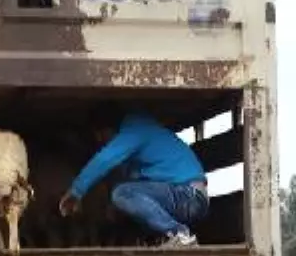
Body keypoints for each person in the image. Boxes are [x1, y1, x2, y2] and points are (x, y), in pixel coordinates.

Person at [59, 106, 209, 247]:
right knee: (126, 200)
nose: (100, 140)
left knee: (123, 193)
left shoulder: (135, 131)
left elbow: (104, 160)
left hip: (188, 196)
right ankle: (160, 240)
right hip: (186, 197)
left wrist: (76, 191)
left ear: (110, 129)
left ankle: (178, 235)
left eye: (100, 134)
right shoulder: (144, 140)